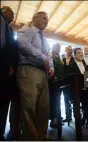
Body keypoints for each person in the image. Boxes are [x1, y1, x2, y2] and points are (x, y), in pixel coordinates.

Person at [17, 11, 54, 140]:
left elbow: (49, 55)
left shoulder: (44, 38)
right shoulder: (27, 30)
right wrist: (42, 56)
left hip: (43, 74)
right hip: (29, 71)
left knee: (44, 108)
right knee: (29, 108)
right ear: (35, 18)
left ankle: (41, 137)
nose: (46, 21)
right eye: (44, 18)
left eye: (47, 19)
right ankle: (31, 138)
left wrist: (52, 67)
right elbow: (22, 44)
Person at [0, 6, 19, 141]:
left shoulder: (9, 28)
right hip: (3, 69)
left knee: (4, 102)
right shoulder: (1, 22)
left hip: (7, 71)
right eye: (11, 13)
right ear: (3, 12)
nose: (13, 16)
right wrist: (7, 65)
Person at [49, 43, 65, 128]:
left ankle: (58, 118)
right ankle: (53, 120)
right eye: (56, 47)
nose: (58, 48)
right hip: (53, 83)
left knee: (58, 102)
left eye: (59, 47)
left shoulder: (60, 57)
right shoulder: (51, 56)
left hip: (61, 83)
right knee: (53, 101)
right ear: (53, 47)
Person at [61, 46, 74, 123]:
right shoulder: (62, 60)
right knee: (66, 100)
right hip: (65, 83)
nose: (70, 51)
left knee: (74, 99)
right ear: (65, 51)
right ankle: (68, 116)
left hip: (73, 82)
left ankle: (77, 116)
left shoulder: (74, 59)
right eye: (69, 50)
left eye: (71, 50)